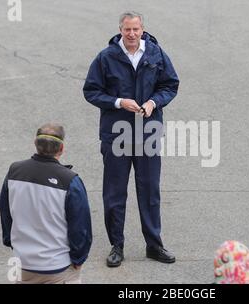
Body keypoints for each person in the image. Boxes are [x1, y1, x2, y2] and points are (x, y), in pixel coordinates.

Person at [83, 11, 179, 267]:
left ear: (143, 29)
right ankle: (117, 245)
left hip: (147, 133)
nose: (132, 34)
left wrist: (153, 102)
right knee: (114, 193)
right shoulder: (106, 57)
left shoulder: (155, 54)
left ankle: (154, 245)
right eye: (127, 30)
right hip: (116, 136)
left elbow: (170, 85)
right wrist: (118, 102)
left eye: (136, 29)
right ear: (120, 30)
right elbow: (91, 91)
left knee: (150, 191)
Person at [0, 123, 92, 284]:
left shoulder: (14, 172)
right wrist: (78, 259)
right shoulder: (70, 181)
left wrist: (11, 243)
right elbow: (80, 227)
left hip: (20, 263)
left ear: (36, 144)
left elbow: (5, 212)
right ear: (61, 148)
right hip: (58, 267)